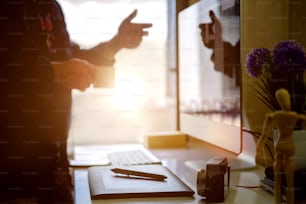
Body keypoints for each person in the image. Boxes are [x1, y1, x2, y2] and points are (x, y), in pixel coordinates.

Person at [0, 0, 152, 203]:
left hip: (55, 166)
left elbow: (69, 57)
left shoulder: (52, 8)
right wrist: (56, 71)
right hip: (13, 173)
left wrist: (117, 43)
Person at [256, 89, 306, 204]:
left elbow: (264, 134)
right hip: (288, 150)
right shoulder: (295, 116)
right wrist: (258, 151)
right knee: (288, 184)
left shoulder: (275, 116)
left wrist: (258, 150)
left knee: (279, 184)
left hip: (280, 149)